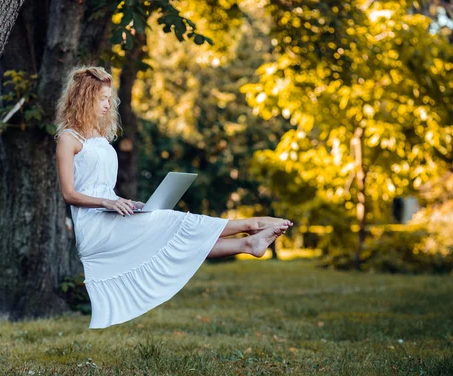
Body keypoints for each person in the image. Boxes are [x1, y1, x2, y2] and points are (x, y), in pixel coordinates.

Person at [54, 66, 292, 329]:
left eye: (110, 98)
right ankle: (250, 226)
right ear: (86, 98)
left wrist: (126, 203)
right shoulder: (68, 139)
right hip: (94, 227)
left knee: (171, 228)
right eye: (102, 98)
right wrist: (107, 202)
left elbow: (101, 187)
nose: (108, 104)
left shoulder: (101, 138)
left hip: (110, 215)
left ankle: (248, 245)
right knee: (171, 222)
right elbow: (69, 193)